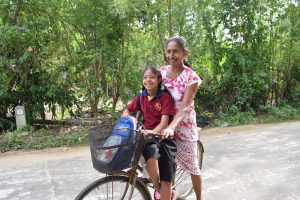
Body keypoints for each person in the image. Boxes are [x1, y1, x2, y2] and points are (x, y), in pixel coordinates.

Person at [122, 67, 177, 200]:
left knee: (152, 154)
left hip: (161, 136)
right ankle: (156, 185)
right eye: (145, 77)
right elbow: (127, 110)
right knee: (137, 150)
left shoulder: (164, 97)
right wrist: (128, 122)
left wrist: (152, 132)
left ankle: (161, 187)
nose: (148, 80)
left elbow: (164, 123)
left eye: (151, 77)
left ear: (158, 80)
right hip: (146, 135)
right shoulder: (142, 96)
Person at [160, 36, 203, 200]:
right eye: (169, 51)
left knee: (193, 167)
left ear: (185, 53)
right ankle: (167, 193)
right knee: (163, 164)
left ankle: (199, 198)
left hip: (183, 128)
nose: (171, 55)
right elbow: (149, 93)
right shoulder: (161, 72)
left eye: (175, 52)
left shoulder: (191, 78)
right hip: (163, 124)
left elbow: (185, 106)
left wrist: (172, 127)